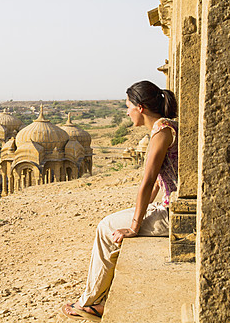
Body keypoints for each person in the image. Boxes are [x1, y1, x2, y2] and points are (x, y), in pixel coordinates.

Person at [61, 80, 178, 322]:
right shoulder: (165, 128)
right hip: (171, 204)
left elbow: (148, 181)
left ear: (141, 107)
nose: (127, 112)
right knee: (110, 223)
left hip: (174, 212)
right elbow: (158, 182)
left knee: (106, 228)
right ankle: (96, 298)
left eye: (128, 107)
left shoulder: (162, 131)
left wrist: (135, 226)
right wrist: (145, 211)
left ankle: (90, 303)